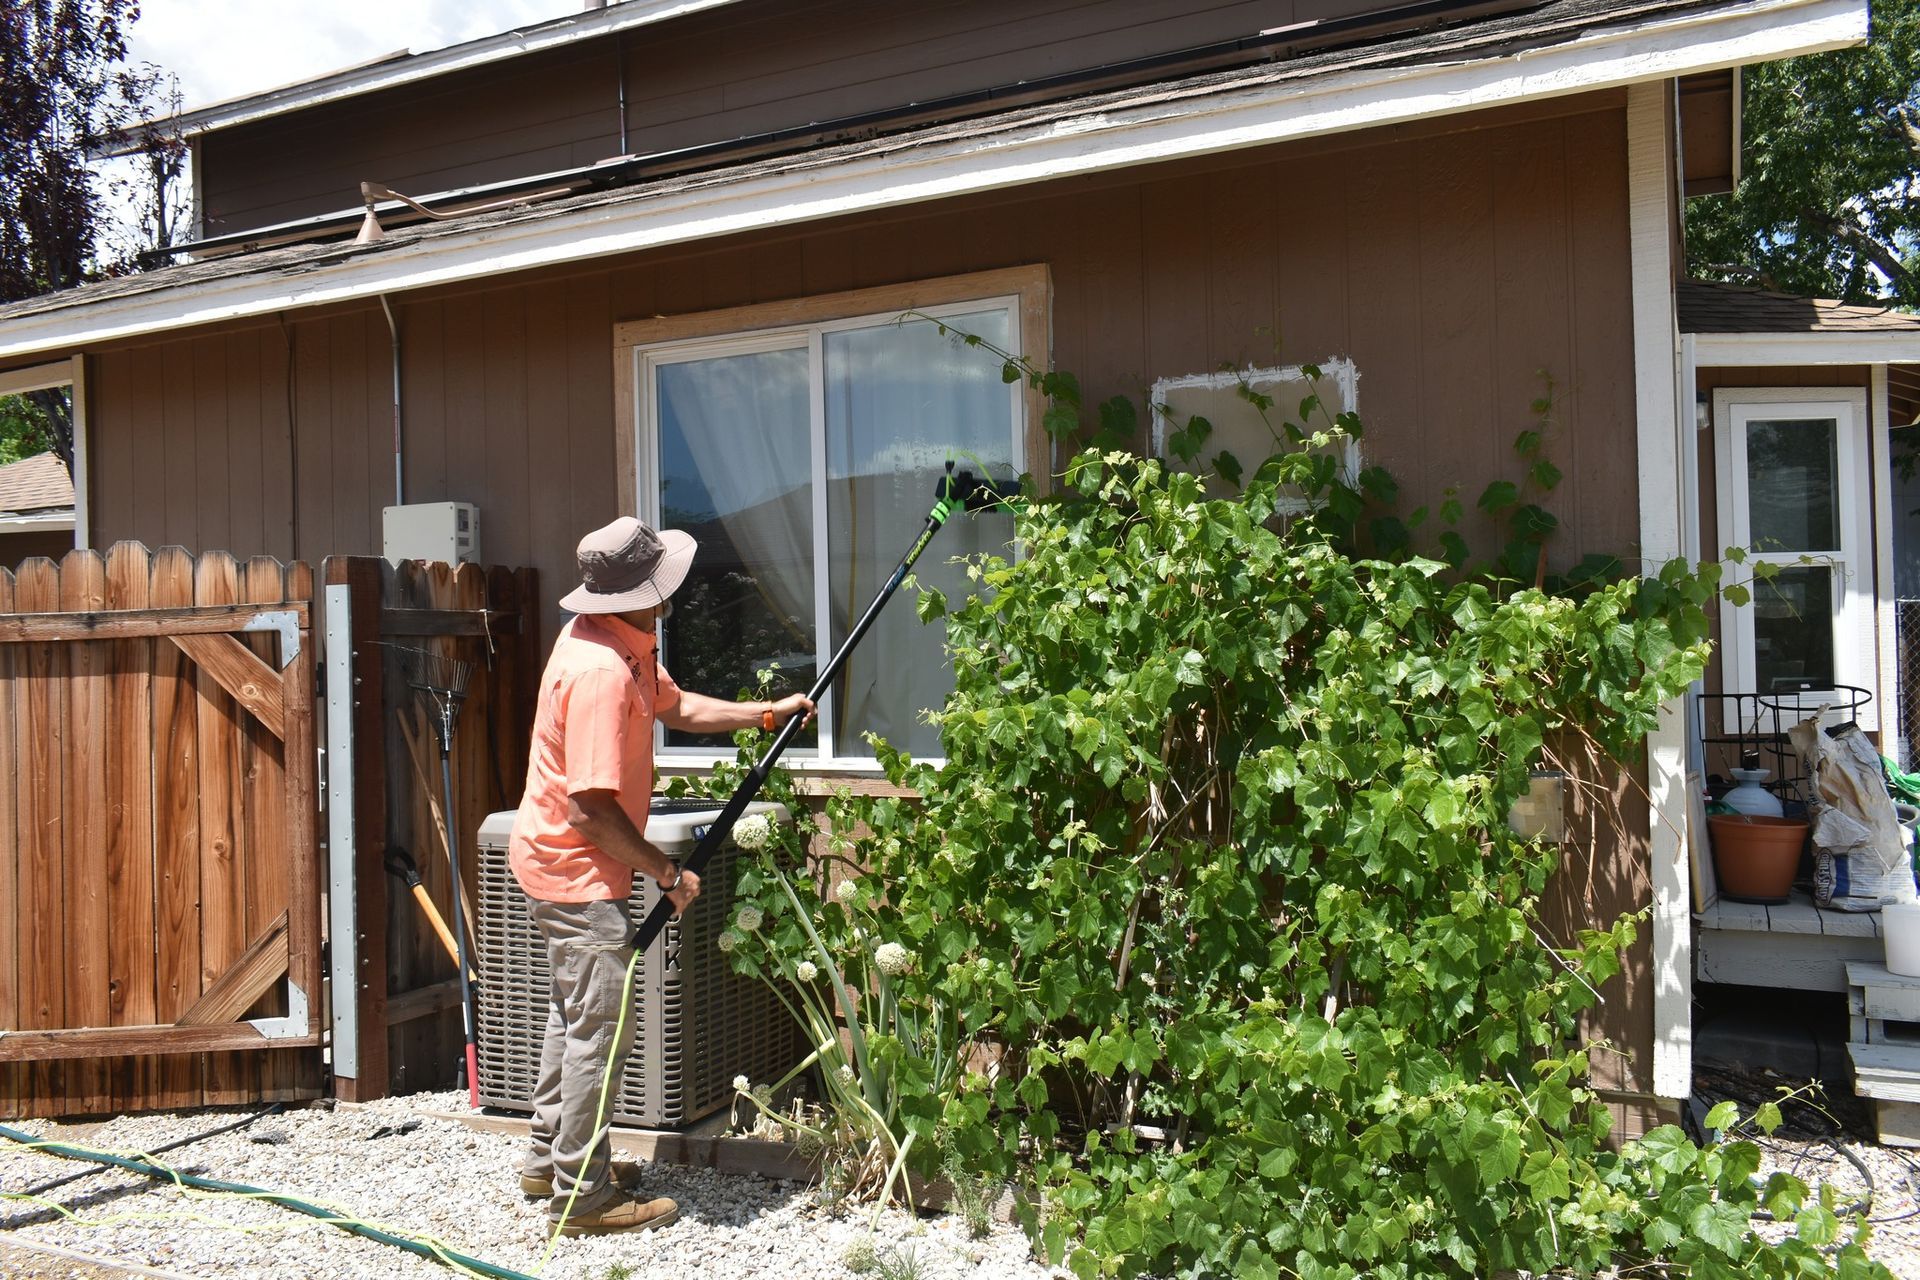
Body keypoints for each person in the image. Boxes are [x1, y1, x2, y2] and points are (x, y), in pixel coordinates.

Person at [509, 515, 813, 1236]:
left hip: (565, 863)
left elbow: (676, 706)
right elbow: (589, 809)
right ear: (639, 593)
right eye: (663, 583)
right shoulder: (599, 674)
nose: (671, 594)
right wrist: (666, 873)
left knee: (571, 1017)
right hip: (574, 869)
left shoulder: (622, 643)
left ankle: (551, 1158)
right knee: (597, 1037)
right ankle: (581, 1200)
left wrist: (765, 715)